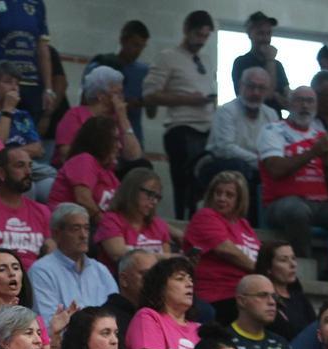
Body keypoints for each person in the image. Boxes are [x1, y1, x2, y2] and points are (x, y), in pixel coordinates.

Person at [258, 85, 328, 258]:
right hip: (281, 203)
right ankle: (302, 266)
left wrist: (327, 161)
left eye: (310, 101)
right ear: (288, 104)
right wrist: (313, 153)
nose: (305, 106)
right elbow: (275, 170)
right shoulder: (272, 130)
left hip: (321, 205)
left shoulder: (321, 136)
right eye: (300, 100)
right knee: (297, 210)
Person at [143, 11, 217, 219]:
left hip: (208, 129)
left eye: (205, 36)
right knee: (184, 187)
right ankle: (183, 224)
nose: (201, 40)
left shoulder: (206, 59)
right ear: (186, 30)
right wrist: (187, 99)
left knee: (205, 184)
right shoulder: (168, 57)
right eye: (198, 34)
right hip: (181, 128)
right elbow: (149, 95)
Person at [184, 170, 261, 321]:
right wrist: (262, 271)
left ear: (240, 200)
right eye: (218, 193)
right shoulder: (205, 216)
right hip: (219, 295)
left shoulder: (243, 224)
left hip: (245, 293)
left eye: (229, 195)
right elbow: (226, 250)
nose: (221, 198)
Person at [29, 203, 117, 321]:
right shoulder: (41, 271)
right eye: (76, 229)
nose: (83, 235)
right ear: (56, 234)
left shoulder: (100, 270)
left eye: (86, 228)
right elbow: (49, 324)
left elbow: (117, 315)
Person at [125, 257, 200, 349]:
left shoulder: (199, 329)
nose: (189, 284)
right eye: (180, 278)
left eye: (190, 279)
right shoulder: (148, 317)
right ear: (161, 287)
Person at [206, 67, 279, 189]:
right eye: (251, 86)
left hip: (256, 166)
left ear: (267, 91)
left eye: (261, 88)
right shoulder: (226, 111)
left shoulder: (271, 114)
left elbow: (275, 146)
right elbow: (226, 149)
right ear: (240, 86)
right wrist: (261, 162)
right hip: (220, 163)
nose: (256, 92)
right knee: (239, 167)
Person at [54, 65, 142, 166]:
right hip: (79, 171)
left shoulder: (117, 119)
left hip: (107, 174)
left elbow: (134, 156)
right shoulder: (75, 115)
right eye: (117, 93)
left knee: (142, 165)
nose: (122, 98)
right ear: (101, 96)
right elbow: (65, 154)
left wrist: (123, 118)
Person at [0, 146, 52, 269]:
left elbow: (51, 255)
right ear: (1, 173)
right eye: (20, 166)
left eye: (30, 166)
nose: (28, 172)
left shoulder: (42, 211)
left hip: (35, 281)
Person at [84, 20, 151, 145]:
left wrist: (148, 100)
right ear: (123, 40)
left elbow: (152, 113)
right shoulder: (100, 66)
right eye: (135, 45)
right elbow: (85, 101)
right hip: (100, 135)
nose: (138, 51)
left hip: (131, 136)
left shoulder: (144, 72)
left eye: (142, 47)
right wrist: (120, 104)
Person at [95, 167, 173, 269]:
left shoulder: (159, 224)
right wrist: (167, 258)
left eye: (157, 197)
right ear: (132, 190)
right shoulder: (111, 220)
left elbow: (166, 266)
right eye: (150, 194)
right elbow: (118, 255)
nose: (154, 201)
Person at [0, 61, 47, 163]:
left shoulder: (22, 115)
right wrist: (7, 110)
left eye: (17, 83)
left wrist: (7, 154)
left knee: (50, 176)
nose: (14, 88)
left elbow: (38, 149)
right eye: (8, 82)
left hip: (25, 166)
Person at [46, 116, 121, 219]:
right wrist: (108, 226)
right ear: (100, 140)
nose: (119, 146)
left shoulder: (109, 174)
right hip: (67, 225)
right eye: (115, 140)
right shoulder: (83, 160)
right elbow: (83, 200)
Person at [255, 240, 315, 343]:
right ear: (268, 267)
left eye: (293, 258)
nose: (293, 264)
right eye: (284, 260)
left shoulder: (299, 297)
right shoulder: (263, 299)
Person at [230, 11, 288, 113]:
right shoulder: (241, 62)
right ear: (249, 34)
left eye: (268, 33)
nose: (266, 38)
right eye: (260, 33)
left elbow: (288, 102)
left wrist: (279, 97)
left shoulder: (278, 65)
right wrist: (270, 60)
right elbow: (267, 95)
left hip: (275, 123)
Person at [104, 248, 156, 349]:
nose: (152, 280)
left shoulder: (161, 313)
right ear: (124, 279)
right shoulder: (106, 318)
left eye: (156, 274)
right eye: (145, 274)